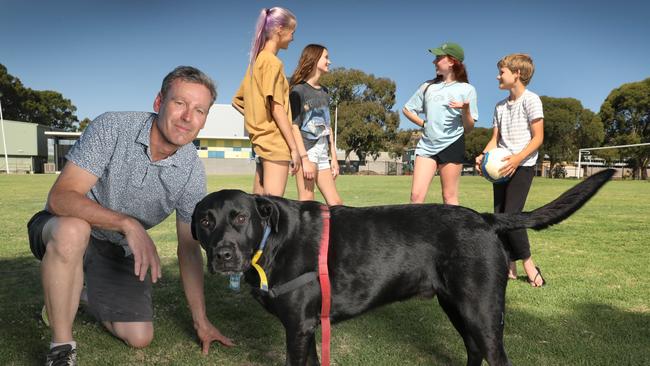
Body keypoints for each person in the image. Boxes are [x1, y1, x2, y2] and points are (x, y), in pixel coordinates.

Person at [27, 66, 234, 366]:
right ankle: (61, 347)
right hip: (61, 228)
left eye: (199, 110)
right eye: (180, 103)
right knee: (74, 231)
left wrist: (201, 321)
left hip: (114, 250)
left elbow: (188, 249)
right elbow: (60, 197)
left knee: (140, 336)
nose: (188, 117)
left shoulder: (191, 171)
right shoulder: (113, 127)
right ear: (158, 102)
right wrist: (127, 223)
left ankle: (76, 295)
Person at [474, 53, 546, 287]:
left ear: (517, 74)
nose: (497, 76)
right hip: (501, 169)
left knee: (512, 216)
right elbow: (495, 140)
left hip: (522, 166)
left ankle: (529, 265)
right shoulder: (499, 106)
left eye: (501, 71)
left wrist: (517, 159)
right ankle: (509, 266)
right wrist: (483, 156)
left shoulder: (532, 100)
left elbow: (538, 138)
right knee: (499, 216)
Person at [232, 7, 300, 197]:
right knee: (273, 208)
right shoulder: (272, 63)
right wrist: (294, 148)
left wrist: (257, 120)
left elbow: (238, 102)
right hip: (275, 144)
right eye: (292, 32)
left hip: (260, 144)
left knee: (259, 210)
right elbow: (277, 108)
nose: (293, 38)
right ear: (280, 29)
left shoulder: (255, 62)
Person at [402, 42, 478, 205]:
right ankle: (414, 231)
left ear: (452, 61)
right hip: (426, 146)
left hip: (452, 144)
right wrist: (424, 124)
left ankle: (455, 231)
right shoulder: (427, 86)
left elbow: (469, 128)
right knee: (416, 197)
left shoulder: (467, 89)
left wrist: (465, 109)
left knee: (449, 197)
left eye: (438, 58)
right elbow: (407, 109)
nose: (434, 62)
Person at [288, 44, 343, 205]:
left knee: (336, 204)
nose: (329, 61)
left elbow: (328, 126)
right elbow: (294, 126)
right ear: (314, 59)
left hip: (322, 151)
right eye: (326, 57)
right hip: (307, 151)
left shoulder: (324, 92)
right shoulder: (298, 91)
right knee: (307, 203)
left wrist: (334, 157)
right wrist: (304, 159)